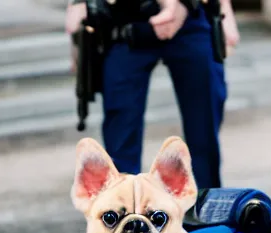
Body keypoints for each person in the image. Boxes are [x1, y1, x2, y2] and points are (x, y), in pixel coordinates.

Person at [66, 0, 240, 190]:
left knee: (204, 129)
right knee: (121, 136)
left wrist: (223, 7)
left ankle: (207, 208)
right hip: (123, 22)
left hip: (191, 15)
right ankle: (125, 208)